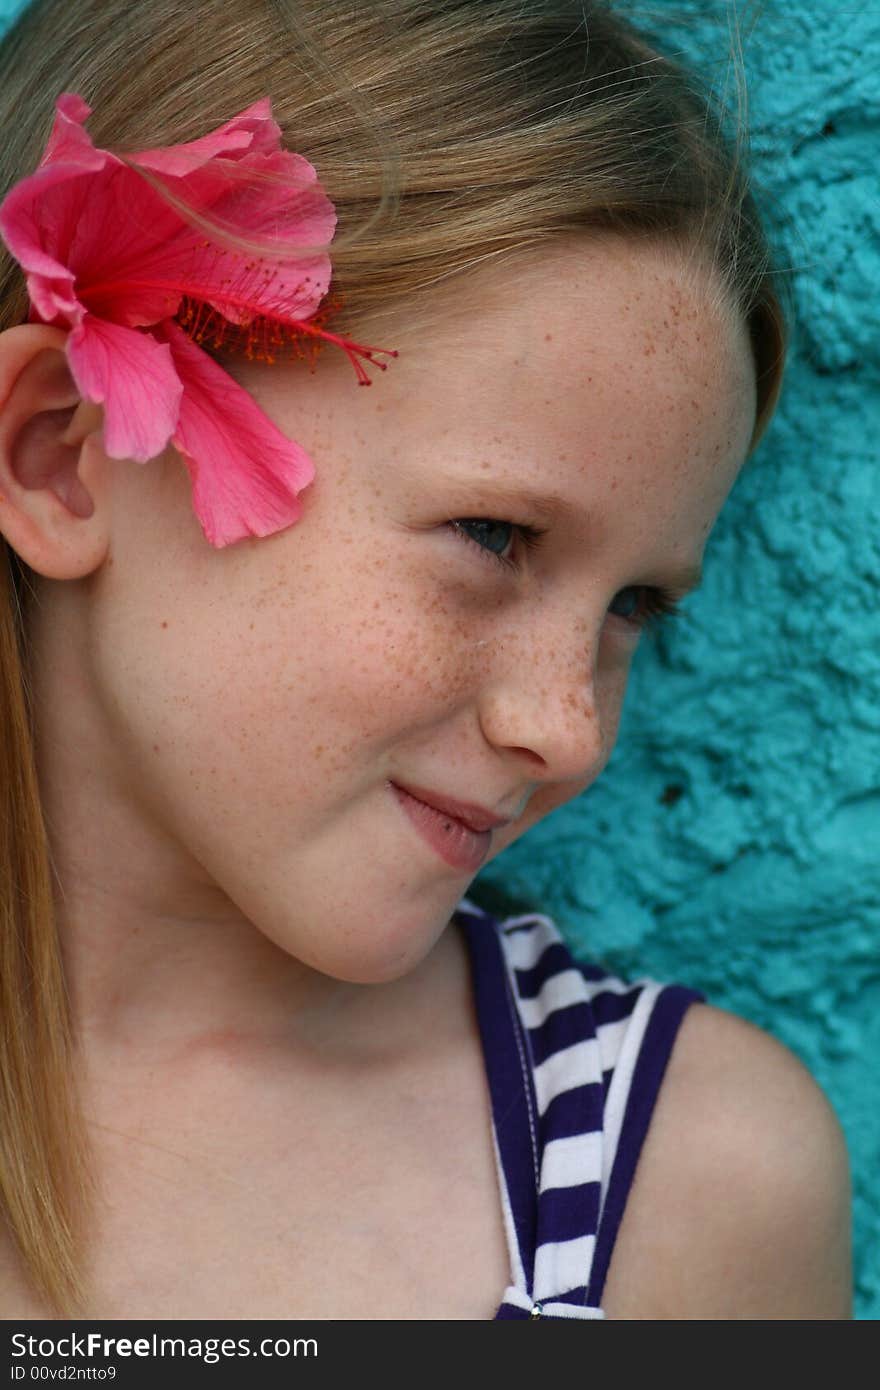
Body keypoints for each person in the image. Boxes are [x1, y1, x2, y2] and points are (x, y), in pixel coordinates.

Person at [0, 0, 851, 1321]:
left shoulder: (688, 1192)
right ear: (65, 451)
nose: (570, 732)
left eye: (635, 605)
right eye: (495, 536)